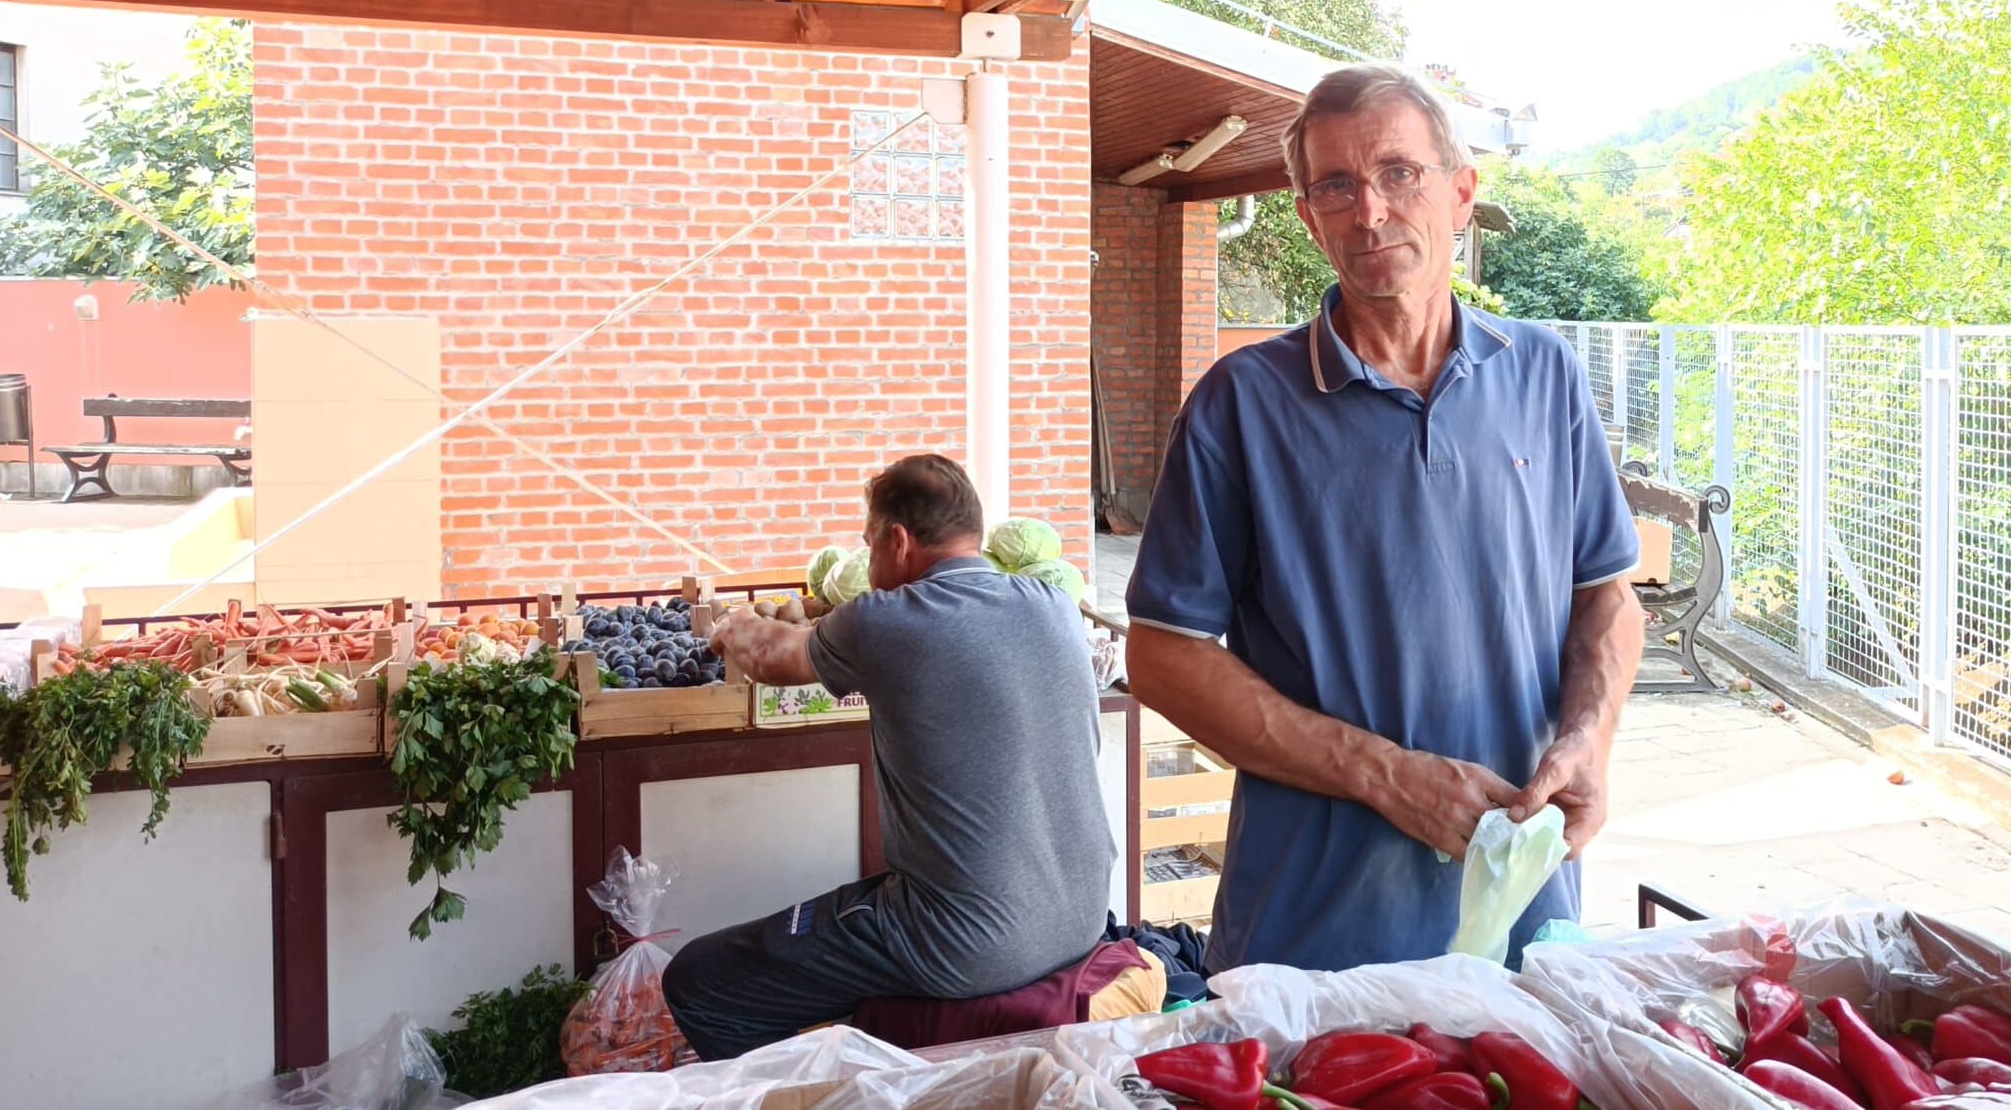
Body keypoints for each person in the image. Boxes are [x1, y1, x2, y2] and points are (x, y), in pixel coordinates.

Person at [1124, 64, 1645, 974]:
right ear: (1309, 215)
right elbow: (1164, 654)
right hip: (1315, 928)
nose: (1369, 211)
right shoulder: (1241, 404)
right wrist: (1385, 775)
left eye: (1399, 173)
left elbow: (1606, 595)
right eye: (1336, 185)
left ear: (1461, 192)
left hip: (1523, 897)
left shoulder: (1544, 375)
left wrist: (1587, 738)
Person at [664, 454, 1115, 1061]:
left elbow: (772, 656)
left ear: (898, 541)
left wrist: (732, 623)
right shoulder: (1052, 604)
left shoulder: (887, 622)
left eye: (869, 542)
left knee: (699, 981)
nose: (869, 559)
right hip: (1080, 917)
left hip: (962, 942)